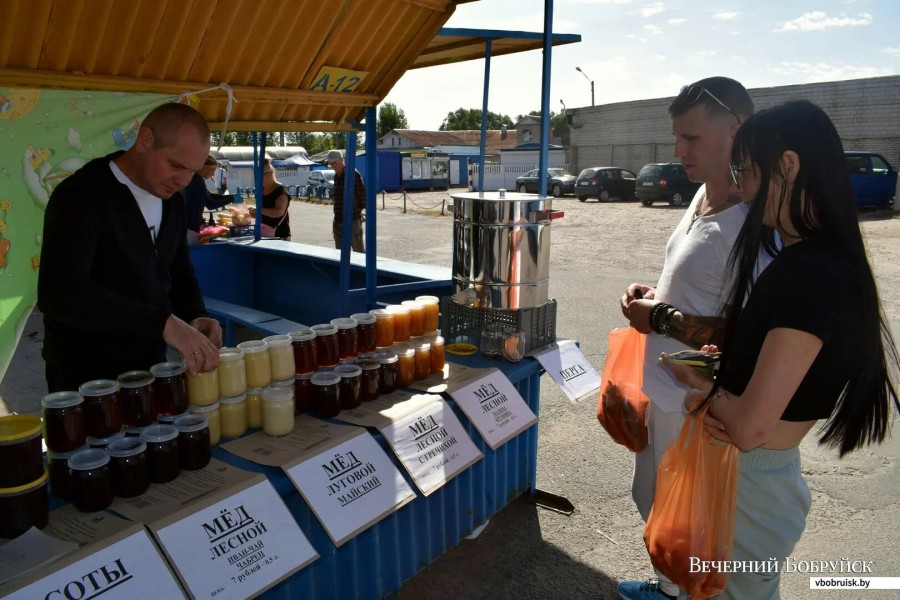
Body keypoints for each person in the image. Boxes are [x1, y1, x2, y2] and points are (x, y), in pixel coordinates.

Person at [662, 99, 900, 599]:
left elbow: (749, 428)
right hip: (759, 482)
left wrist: (699, 388)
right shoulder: (816, 262)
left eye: (746, 170)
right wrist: (726, 372)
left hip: (750, 485)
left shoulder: (809, 274)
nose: (742, 188)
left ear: (787, 166)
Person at [617, 77, 755, 600]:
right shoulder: (701, 195)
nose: (678, 152)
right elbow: (696, 285)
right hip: (665, 390)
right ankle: (668, 588)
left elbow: (753, 332)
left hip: (698, 400)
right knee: (654, 501)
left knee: (692, 523)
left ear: (735, 132)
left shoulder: (753, 223)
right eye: (677, 137)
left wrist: (662, 318)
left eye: (691, 139)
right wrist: (653, 293)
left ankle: (680, 592)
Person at [38, 102, 222, 392]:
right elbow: (60, 294)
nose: (184, 181)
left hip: (150, 367)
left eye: (193, 171)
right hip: (86, 378)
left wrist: (195, 313)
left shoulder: (171, 198)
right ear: (145, 139)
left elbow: (178, 270)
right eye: (175, 165)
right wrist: (163, 324)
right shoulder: (82, 195)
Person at [182, 154, 241, 244]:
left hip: (191, 224)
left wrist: (231, 196)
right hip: (190, 226)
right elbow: (210, 204)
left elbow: (210, 196)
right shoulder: (196, 181)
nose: (213, 174)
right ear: (205, 167)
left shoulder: (197, 179)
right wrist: (232, 199)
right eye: (212, 170)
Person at [326, 149, 365, 252]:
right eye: (330, 163)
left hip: (352, 220)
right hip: (338, 220)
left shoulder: (353, 174)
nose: (332, 165)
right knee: (340, 253)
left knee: (358, 252)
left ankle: (360, 269)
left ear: (341, 160)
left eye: (334, 163)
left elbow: (363, 196)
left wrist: (359, 211)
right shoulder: (336, 177)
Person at [248, 159, 291, 240]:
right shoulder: (260, 190)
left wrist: (258, 210)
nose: (257, 180)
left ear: (269, 175)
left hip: (280, 234)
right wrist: (252, 214)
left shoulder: (280, 190)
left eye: (259, 177)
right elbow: (263, 213)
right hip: (263, 233)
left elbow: (279, 212)